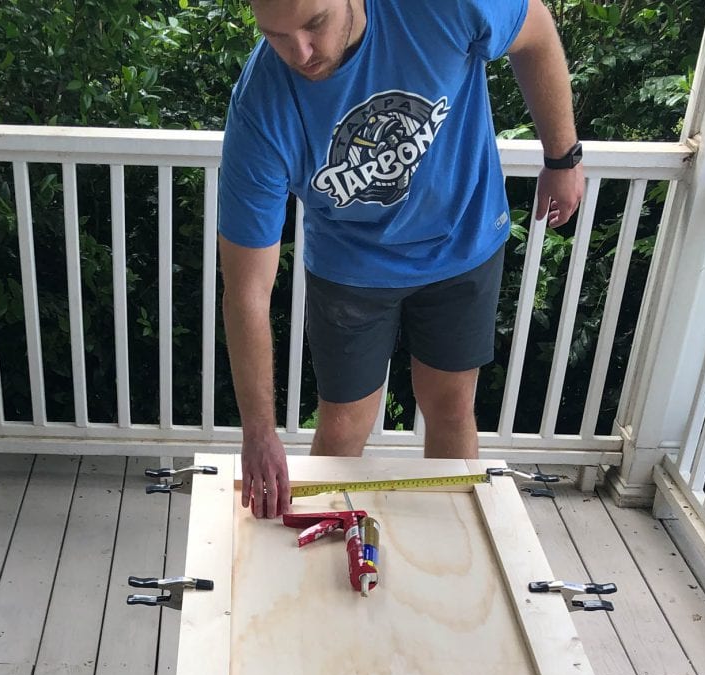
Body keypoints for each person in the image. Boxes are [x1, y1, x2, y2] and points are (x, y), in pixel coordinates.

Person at [217, 0, 585, 519]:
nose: (299, 53)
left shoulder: (442, 7)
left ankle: (454, 550)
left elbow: (537, 29)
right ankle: (325, 566)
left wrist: (562, 157)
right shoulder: (260, 107)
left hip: (462, 242)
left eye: (314, 24)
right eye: (276, 35)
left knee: (452, 406)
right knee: (343, 425)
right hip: (350, 266)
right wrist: (258, 433)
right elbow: (247, 290)